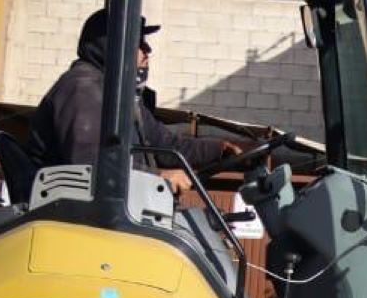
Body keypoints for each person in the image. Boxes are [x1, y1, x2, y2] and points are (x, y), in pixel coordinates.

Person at [30, 10, 239, 196]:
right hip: (76, 213)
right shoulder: (83, 89)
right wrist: (158, 176)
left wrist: (219, 149)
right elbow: (89, 165)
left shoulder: (117, 93)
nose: (148, 50)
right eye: (138, 43)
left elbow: (164, 144)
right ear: (115, 45)